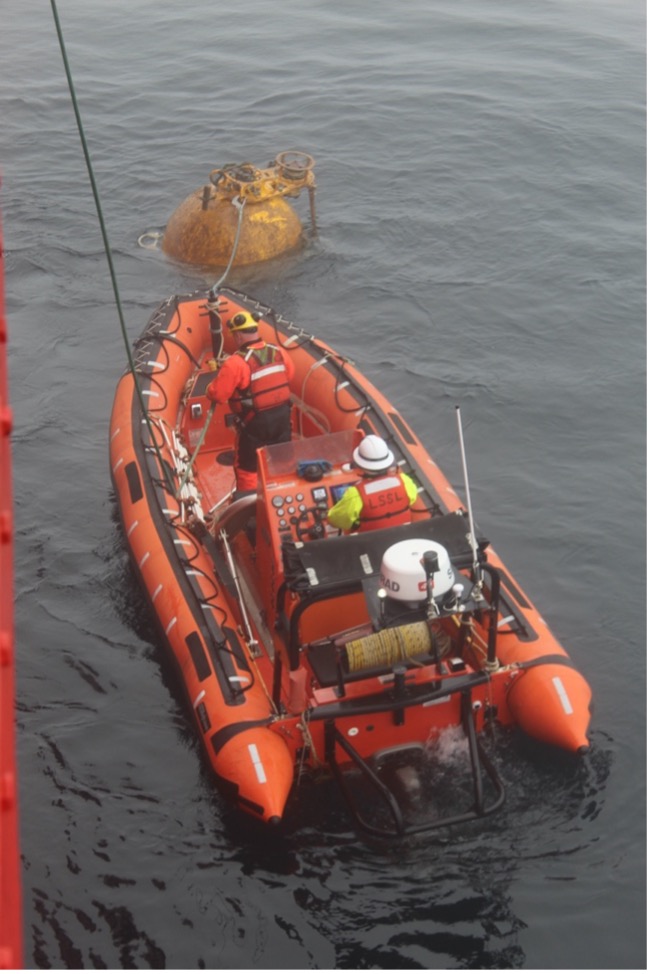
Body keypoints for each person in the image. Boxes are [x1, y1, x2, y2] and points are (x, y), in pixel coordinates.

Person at [206, 311, 295, 495]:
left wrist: (209, 386)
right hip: (282, 422)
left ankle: (251, 513)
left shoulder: (236, 363)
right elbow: (289, 375)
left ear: (238, 335)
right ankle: (282, 500)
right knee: (282, 464)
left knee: (248, 470)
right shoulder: (279, 352)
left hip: (255, 427)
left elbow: (217, 395)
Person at [327, 434, 418, 533]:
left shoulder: (355, 494)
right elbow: (412, 498)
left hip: (372, 542)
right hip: (401, 535)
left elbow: (336, 521)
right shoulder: (405, 481)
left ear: (360, 464)